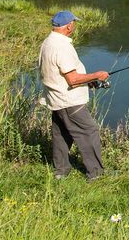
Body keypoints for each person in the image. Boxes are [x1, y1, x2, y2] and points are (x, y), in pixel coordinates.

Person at [38, 10, 109, 181]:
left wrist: (87, 81)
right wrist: (97, 75)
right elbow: (72, 79)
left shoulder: (47, 43)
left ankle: (61, 171)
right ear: (69, 26)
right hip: (69, 101)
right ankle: (95, 173)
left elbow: (62, 75)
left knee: (61, 134)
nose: (74, 26)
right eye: (74, 23)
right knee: (89, 131)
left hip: (55, 99)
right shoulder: (61, 47)